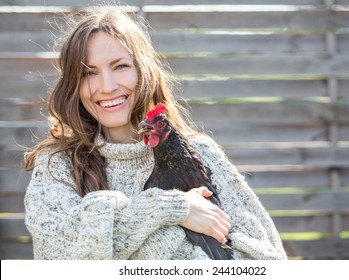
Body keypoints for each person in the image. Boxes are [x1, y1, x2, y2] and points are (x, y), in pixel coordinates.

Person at [24, 6, 287, 260]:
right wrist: (172, 209)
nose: (107, 86)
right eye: (89, 73)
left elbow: (268, 258)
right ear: (74, 84)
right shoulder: (57, 165)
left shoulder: (202, 154)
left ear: (143, 70)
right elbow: (59, 256)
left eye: (120, 66)